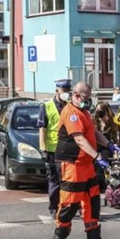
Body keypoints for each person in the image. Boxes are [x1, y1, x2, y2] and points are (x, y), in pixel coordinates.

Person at [47, 82, 119, 239]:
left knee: (92, 200)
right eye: (87, 97)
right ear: (77, 95)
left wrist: (109, 144)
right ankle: (59, 235)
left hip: (86, 165)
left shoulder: (83, 112)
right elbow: (79, 139)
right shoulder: (71, 113)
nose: (89, 101)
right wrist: (98, 156)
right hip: (73, 165)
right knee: (70, 203)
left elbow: (93, 132)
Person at [37, 79, 72, 218]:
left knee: (68, 181)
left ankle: (66, 206)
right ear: (57, 90)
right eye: (64, 91)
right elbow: (42, 129)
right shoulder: (46, 106)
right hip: (52, 150)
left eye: (68, 91)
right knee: (54, 181)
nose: (66, 93)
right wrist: (43, 149)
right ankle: (53, 208)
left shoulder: (70, 106)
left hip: (68, 149)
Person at [93, 101, 120, 192]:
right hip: (95, 146)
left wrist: (116, 149)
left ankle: (104, 184)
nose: (98, 114)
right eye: (97, 111)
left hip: (106, 148)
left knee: (105, 158)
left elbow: (114, 137)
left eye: (100, 112)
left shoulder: (111, 122)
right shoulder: (94, 121)